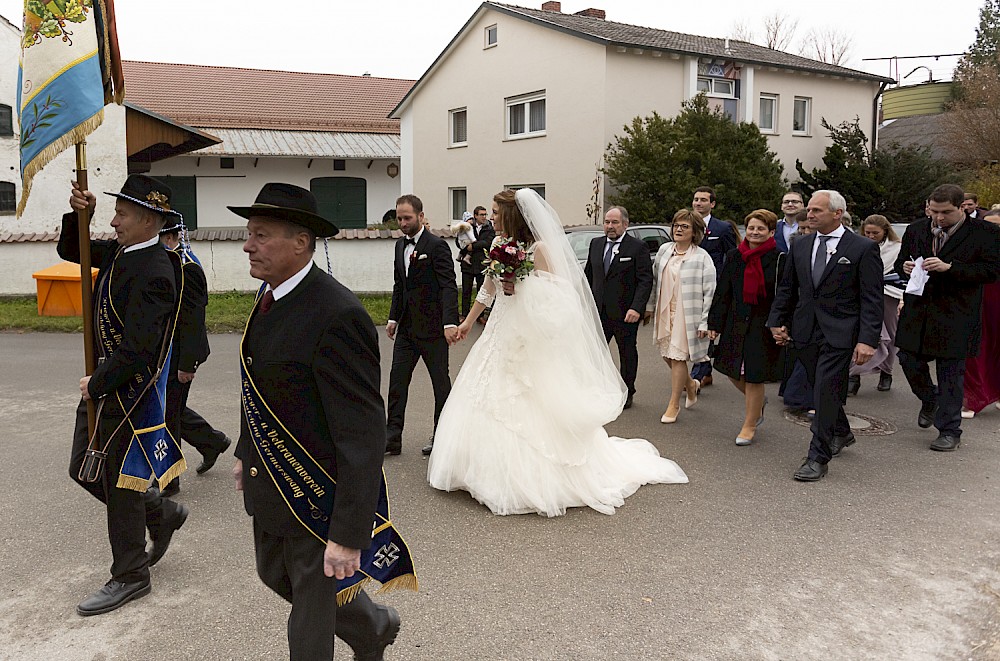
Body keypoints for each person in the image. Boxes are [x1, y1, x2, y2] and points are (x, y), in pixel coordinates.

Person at [427, 189, 687, 516]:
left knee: (528, 400)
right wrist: (466, 323)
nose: (491, 217)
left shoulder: (540, 250)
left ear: (513, 216)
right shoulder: (496, 246)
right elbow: (487, 288)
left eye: (496, 212)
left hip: (529, 337)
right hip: (498, 333)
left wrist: (519, 287)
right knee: (484, 396)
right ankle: (474, 471)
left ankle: (530, 478)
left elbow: (558, 297)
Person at [230, 183, 401, 661]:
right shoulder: (271, 298)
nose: (248, 245)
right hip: (272, 481)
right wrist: (247, 450)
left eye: (261, 235)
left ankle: (363, 629)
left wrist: (348, 535)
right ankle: (372, 625)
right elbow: (259, 386)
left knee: (308, 618)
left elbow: (363, 435)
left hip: (316, 493)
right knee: (274, 575)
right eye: (249, 234)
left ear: (300, 242)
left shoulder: (338, 315)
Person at [60, 175, 189, 615]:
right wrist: (83, 214)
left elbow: (139, 350)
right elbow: (70, 251)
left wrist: (95, 384)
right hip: (104, 386)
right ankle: (158, 512)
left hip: (125, 393)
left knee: (116, 481)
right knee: (85, 468)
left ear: (149, 220)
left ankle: (131, 574)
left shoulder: (156, 271)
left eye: (121, 214)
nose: (113, 221)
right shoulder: (123, 251)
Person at [768, 189, 883, 482]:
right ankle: (842, 432)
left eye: (817, 210)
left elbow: (872, 299)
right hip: (804, 329)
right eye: (809, 210)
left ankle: (817, 457)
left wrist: (868, 340)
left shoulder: (861, 248)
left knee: (824, 390)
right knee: (820, 388)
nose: (810, 214)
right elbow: (787, 288)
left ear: (836, 213)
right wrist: (776, 320)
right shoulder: (801, 244)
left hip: (841, 333)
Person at [895, 184, 1000, 451]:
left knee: (951, 373)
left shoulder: (985, 232)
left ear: (962, 207)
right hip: (918, 311)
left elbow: (991, 271)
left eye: (946, 213)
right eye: (934, 211)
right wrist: (905, 266)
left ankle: (949, 430)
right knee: (907, 359)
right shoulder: (917, 228)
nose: (939, 218)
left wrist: (951, 268)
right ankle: (930, 399)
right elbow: (900, 263)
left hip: (957, 313)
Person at [157, 221, 232, 497]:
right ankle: (211, 442)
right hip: (166, 352)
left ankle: (169, 478)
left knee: (167, 415)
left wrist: (187, 365)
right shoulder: (168, 260)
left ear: (169, 235)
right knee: (171, 409)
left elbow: (192, 320)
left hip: (180, 355)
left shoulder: (188, 267)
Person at [385, 194, 460, 456]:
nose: (403, 223)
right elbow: (399, 286)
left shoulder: (437, 246)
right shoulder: (398, 247)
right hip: (406, 329)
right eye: (399, 218)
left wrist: (450, 322)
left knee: (440, 383)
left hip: (433, 330)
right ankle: (392, 437)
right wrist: (393, 318)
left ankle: (441, 435)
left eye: (407, 218)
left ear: (420, 216)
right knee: (397, 382)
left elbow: (449, 286)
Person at [708, 210, 784, 446]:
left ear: (771, 232)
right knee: (730, 370)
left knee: (753, 375)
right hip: (735, 322)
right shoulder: (734, 256)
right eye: (751, 228)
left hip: (763, 325)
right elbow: (724, 291)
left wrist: (780, 323)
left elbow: (784, 294)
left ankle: (749, 424)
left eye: (761, 229)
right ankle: (758, 403)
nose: (755, 233)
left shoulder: (780, 258)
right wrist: (715, 323)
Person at [647, 209, 717, 424]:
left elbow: (710, 291)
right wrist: (650, 307)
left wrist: (706, 321)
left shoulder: (701, 257)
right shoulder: (664, 250)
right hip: (665, 310)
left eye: (684, 226)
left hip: (688, 314)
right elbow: (654, 280)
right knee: (667, 354)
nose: (678, 229)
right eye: (676, 225)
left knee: (678, 357)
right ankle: (692, 385)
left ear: (695, 231)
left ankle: (674, 404)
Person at [584, 205, 653, 409]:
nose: (610, 226)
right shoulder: (595, 244)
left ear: (625, 224)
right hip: (598, 312)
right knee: (595, 353)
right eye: (607, 222)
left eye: (614, 222)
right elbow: (589, 275)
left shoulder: (637, 248)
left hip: (625, 313)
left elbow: (645, 280)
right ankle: (598, 389)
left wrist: (637, 308)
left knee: (627, 353)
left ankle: (627, 391)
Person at [847, 215, 903, 395]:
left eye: (875, 233)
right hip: (862, 293)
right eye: (867, 232)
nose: (871, 236)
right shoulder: (857, 245)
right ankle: (854, 375)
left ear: (885, 232)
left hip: (889, 294)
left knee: (891, 334)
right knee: (859, 333)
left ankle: (887, 372)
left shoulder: (896, 248)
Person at [690, 186, 737, 388]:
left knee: (706, 328)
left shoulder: (721, 229)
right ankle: (706, 372)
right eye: (695, 199)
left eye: (703, 200)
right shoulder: (686, 225)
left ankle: (696, 376)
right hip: (690, 285)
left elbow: (732, 257)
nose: (698, 203)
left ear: (712, 204)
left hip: (713, 287)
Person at [963, 209, 1000, 418]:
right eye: (989, 224)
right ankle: (971, 399)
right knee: (975, 350)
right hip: (976, 302)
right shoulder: (974, 246)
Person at [455, 205, 496, 323]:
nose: (484, 217)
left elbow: (488, 242)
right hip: (467, 264)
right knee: (466, 291)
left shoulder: (489, 228)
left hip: (481, 263)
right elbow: (459, 241)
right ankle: (465, 315)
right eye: (481, 215)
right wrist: (465, 246)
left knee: (481, 290)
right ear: (475, 216)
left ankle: (480, 316)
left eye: (485, 214)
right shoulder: (467, 226)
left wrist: (473, 246)